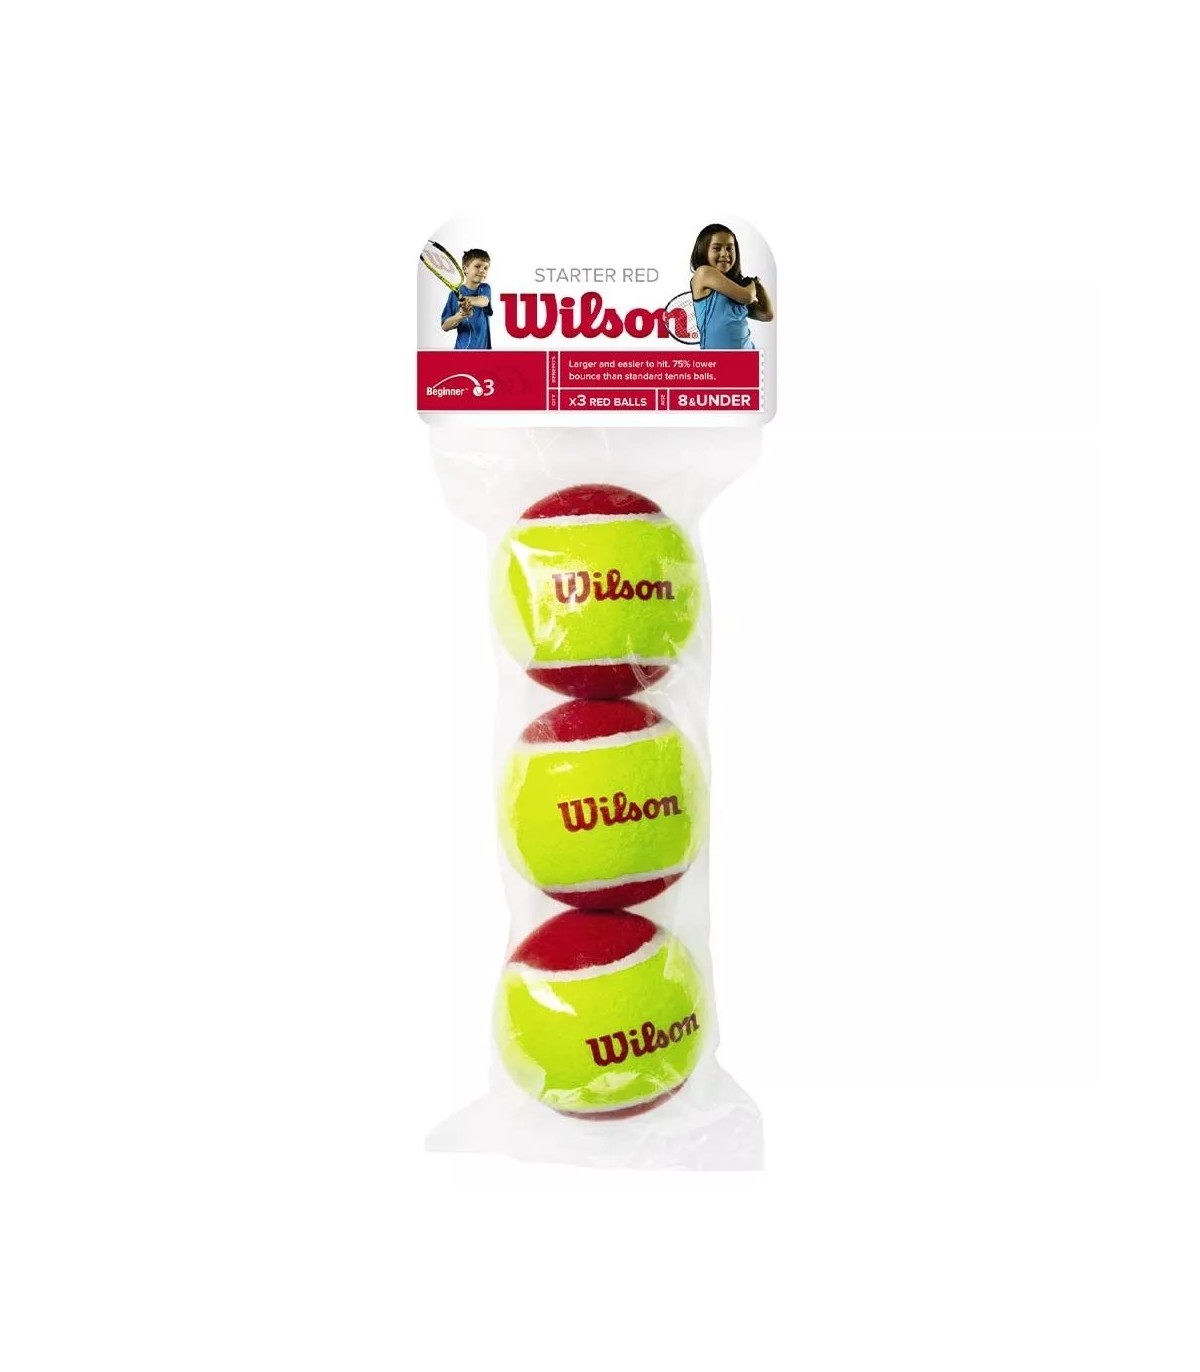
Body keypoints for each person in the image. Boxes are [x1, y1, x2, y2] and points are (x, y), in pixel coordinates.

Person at [689, 224, 774, 349]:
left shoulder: (737, 289)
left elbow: (767, 314)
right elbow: (747, 297)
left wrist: (759, 285)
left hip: (748, 357)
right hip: (717, 359)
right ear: (704, 251)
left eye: (729, 248)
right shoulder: (703, 272)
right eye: (717, 248)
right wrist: (751, 283)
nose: (725, 253)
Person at [441, 249, 493, 349]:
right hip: (464, 350)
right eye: (477, 266)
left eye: (485, 268)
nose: (482, 270)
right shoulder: (454, 295)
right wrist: (461, 315)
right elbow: (445, 326)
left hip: (484, 351)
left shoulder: (485, 288)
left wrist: (463, 300)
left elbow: (484, 301)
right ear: (465, 269)